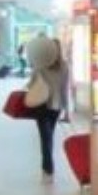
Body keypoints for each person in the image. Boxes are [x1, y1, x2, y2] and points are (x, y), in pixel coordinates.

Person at [25, 35, 70, 177]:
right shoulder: (64, 66)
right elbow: (64, 89)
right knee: (49, 135)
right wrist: (66, 110)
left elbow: (30, 84)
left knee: (45, 136)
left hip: (41, 105)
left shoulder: (40, 65)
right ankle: (47, 165)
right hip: (56, 106)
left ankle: (48, 166)